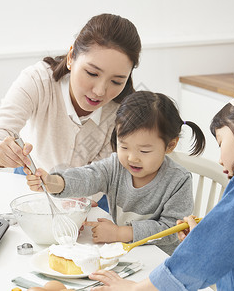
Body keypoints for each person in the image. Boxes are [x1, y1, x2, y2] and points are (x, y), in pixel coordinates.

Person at [88, 86, 234, 290]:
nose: (221, 159)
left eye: (221, 143)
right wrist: (204, 237)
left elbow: (203, 258)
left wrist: (137, 287)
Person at [26, 91, 206, 255]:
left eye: (144, 151)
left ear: (170, 145)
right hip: (122, 252)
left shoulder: (178, 180)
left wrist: (121, 232)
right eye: (124, 146)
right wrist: (54, 182)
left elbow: (171, 231)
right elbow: (88, 177)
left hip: (161, 260)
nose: (132, 158)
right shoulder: (115, 167)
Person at [0, 13, 141, 183]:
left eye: (116, 81)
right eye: (92, 73)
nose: (100, 91)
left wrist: (73, 193)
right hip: (31, 180)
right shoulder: (38, 81)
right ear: (71, 57)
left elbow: (104, 175)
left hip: (89, 190)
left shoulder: (120, 110)